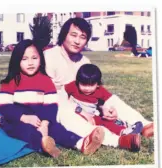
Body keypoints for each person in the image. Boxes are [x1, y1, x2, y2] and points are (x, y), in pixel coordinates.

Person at [0, 39, 122, 158]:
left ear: (40, 59)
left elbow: (51, 106)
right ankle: (44, 145)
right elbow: (4, 107)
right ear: (16, 61)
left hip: (43, 120)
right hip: (17, 120)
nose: (30, 63)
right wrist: (24, 117)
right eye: (24, 59)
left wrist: (45, 123)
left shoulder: (46, 81)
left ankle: (81, 143)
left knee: (59, 130)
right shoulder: (10, 81)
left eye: (34, 58)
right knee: (26, 131)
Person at [43, 17, 153, 149]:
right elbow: (51, 95)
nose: (77, 41)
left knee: (112, 99)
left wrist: (105, 108)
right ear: (64, 35)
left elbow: (96, 90)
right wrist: (79, 110)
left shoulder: (85, 61)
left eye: (83, 37)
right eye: (73, 35)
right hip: (60, 105)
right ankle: (118, 140)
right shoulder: (48, 57)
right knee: (66, 114)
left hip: (87, 103)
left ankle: (145, 125)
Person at [64, 63, 143, 136]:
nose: (87, 88)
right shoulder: (73, 86)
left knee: (106, 121)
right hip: (76, 113)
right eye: (83, 84)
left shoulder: (100, 91)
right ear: (78, 82)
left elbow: (109, 101)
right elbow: (61, 95)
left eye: (91, 85)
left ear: (98, 84)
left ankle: (124, 132)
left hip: (93, 116)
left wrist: (107, 109)